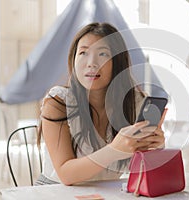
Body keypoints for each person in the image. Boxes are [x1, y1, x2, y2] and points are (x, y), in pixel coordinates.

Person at [36, 22, 166, 185]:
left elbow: (138, 171)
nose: (91, 62)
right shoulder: (58, 102)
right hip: (56, 192)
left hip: (106, 192)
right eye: (83, 53)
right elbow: (65, 174)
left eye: (103, 54)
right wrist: (114, 150)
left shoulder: (134, 102)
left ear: (118, 62)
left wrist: (154, 147)